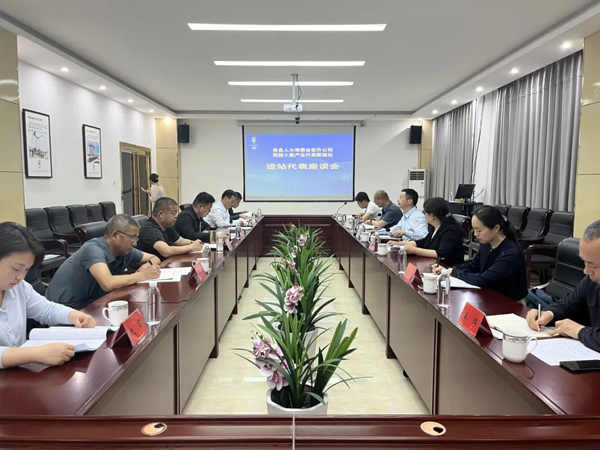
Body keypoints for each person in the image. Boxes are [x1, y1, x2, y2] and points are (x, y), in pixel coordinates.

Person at [0, 222, 96, 369]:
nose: (21, 277)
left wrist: (74, 315)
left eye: (26, 270)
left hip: (18, 373)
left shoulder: (19, 287)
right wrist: (35, 354)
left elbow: (46, 310)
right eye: (16, 268)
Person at [46, 215, 161, 310]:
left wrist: (147, 266)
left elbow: (155, 258)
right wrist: (142, 275)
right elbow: (107, 283)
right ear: (115, 235)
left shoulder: (125, 250)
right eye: (132, 238)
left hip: (93, 302)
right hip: (65, 308)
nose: (135, 244)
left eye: (136, 239)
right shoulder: (93, 249)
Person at [526, 220, 600, 351]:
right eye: (584, 262)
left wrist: (579, 331)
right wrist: (549, 313)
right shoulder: (591, 281)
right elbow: (568, 305)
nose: (586, 271)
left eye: (593, 265)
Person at [432, 205, 527, 301]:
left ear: (496, 228)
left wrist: (454, 272)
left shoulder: (510, 253)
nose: (475, 234)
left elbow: (483, 279)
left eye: (479, 230)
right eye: (474, 229)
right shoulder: (486, 244)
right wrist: (448, 270)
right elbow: (473, 266)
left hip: (510, 302)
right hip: (490, 295)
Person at [387, 197, 463, 266]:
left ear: (432, 216)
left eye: (425, 213)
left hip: (446, 267)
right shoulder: (434, 227)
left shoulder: (450, 230)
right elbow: (422, 242)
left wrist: (414, 250)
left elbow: (442, 253)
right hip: (432, 264)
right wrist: (399, 244)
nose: (424, 215)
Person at [137, 197, 203, 260]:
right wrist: (191, 247)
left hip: (163, 263)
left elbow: (180, 241)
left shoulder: (167, 226)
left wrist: (194, 243)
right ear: (161, 214)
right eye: (173, 213)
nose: (176, 216)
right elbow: (166, 251)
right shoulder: (149, 228)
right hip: (149, 266)